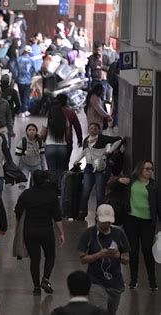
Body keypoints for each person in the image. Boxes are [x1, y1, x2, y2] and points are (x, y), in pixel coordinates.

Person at [15, 170, 65, 295]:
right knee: (50, 256)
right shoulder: (51, 196)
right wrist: (61, 233)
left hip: (30, 230)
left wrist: (19, 225)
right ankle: (46, 279)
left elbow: (18, 210)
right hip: (46, 231)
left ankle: (36, 288)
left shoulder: (26, 194)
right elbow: (57, 217)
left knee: (35, 260)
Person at [78, 204, 130, 315]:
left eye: (108, 222)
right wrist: (98, 255)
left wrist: (118, 256)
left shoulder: (119, 234)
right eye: (103, 222)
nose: (106, 224)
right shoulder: (89, 234)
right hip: (96, 281)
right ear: (97, 218)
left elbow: (126, 259)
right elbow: (82, 259)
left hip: (115, 283)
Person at [117, 160, 160, 290]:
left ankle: (152, 280)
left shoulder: (154, 185)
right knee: (133, 251)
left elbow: (158, 204)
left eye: (151, 169)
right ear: (140, 169)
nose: (149, 171)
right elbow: (111, 184)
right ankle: (133, 279)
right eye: (147, 168)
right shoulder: (131, 182)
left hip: (147, 221)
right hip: (131, 219)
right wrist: (119, 180)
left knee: (147, 250)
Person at [74, 123, 122, 219]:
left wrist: (110, 151)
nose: (92, 130)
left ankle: (99, 213)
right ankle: (82, 212)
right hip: (88, 167)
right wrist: (77, 160)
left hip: (100, 167)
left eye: (94, 129)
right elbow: (84, 152)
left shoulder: (102, 138)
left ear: (98, 130)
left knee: (99, 191)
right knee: (86, 190)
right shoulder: (86, 140)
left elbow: (119, 139)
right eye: (90, 128)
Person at [41, 104, 70, 190]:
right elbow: (68, 135)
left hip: (50, 147)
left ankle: (52, 188)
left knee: (51, 169)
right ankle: (61, 189)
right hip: (62, 147)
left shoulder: (48, 120)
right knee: (61, 169)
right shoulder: (65, 120)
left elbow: (42, 134)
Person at [58, 94, 83, 169]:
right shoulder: (71, 113)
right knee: (65, 165)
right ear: (66, 101)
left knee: (55, 166)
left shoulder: (51, 111)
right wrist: (80, 139)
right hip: (67, 143)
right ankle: (63, 179)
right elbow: (77, 127)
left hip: (53, 143)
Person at [16, 45, 36, 117]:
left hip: (20, 80)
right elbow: (34, 70)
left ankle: (23, 109)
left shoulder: (19, 59)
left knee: (21, 95)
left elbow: (15, 69)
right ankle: (24, 110)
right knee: (26, 95)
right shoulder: (31, 60)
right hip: (28, 80)